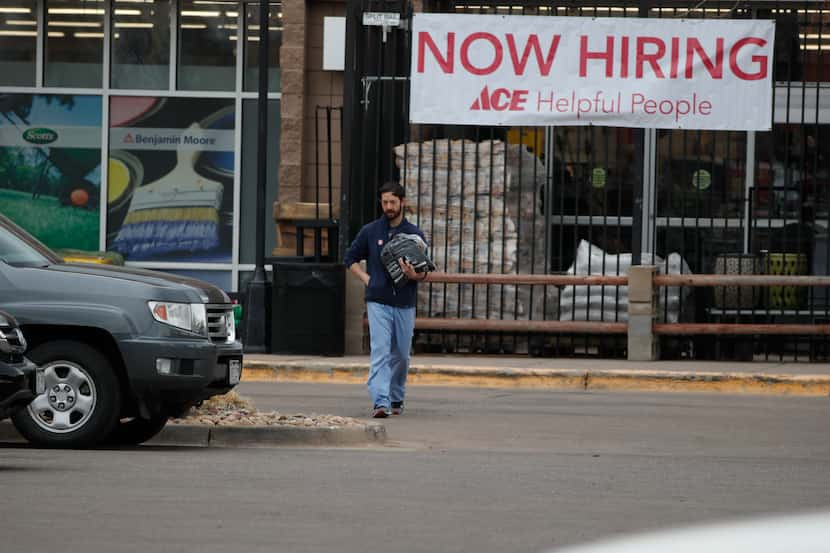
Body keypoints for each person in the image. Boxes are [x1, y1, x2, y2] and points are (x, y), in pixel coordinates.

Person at [344, 181, 429, 418]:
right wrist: (365, 278)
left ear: (402, 202)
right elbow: (350, 258)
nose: (389, 206)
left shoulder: (415, 234)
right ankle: (380, 402)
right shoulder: (370, 231)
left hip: (404, 302)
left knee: (401, 354)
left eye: (393, 202)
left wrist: (415, 275)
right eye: (385, 202)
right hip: (377, 301)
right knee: (380, 350)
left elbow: (425, 270)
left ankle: (396, 396)